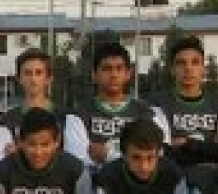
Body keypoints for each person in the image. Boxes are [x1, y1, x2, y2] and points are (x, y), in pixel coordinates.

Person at [63, 42, 161, 170]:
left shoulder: (148, 113)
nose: (113, 75)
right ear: (94, 75)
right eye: (106, 69)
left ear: (128, 74)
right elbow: (77, 160)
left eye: (119, 69)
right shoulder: (77, 115)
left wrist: (107, 154)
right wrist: (133, 157)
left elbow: (158, 156)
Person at [151, 35, 218, 169]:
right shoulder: (157, 104)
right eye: (181, 63)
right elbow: (162, 153)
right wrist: (208, 149)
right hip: (173, 175)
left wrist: (189, 144)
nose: (188, 68)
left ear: (203, 68)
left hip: (211, 176)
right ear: (172, 69)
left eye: (195, 62)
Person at [0, 48, 59, 161]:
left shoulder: (65, 118)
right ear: (19, 78)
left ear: (49, 78)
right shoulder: (8, 120)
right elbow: (3, 158)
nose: (33, 79)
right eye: (27, 73)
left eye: (38, 73)